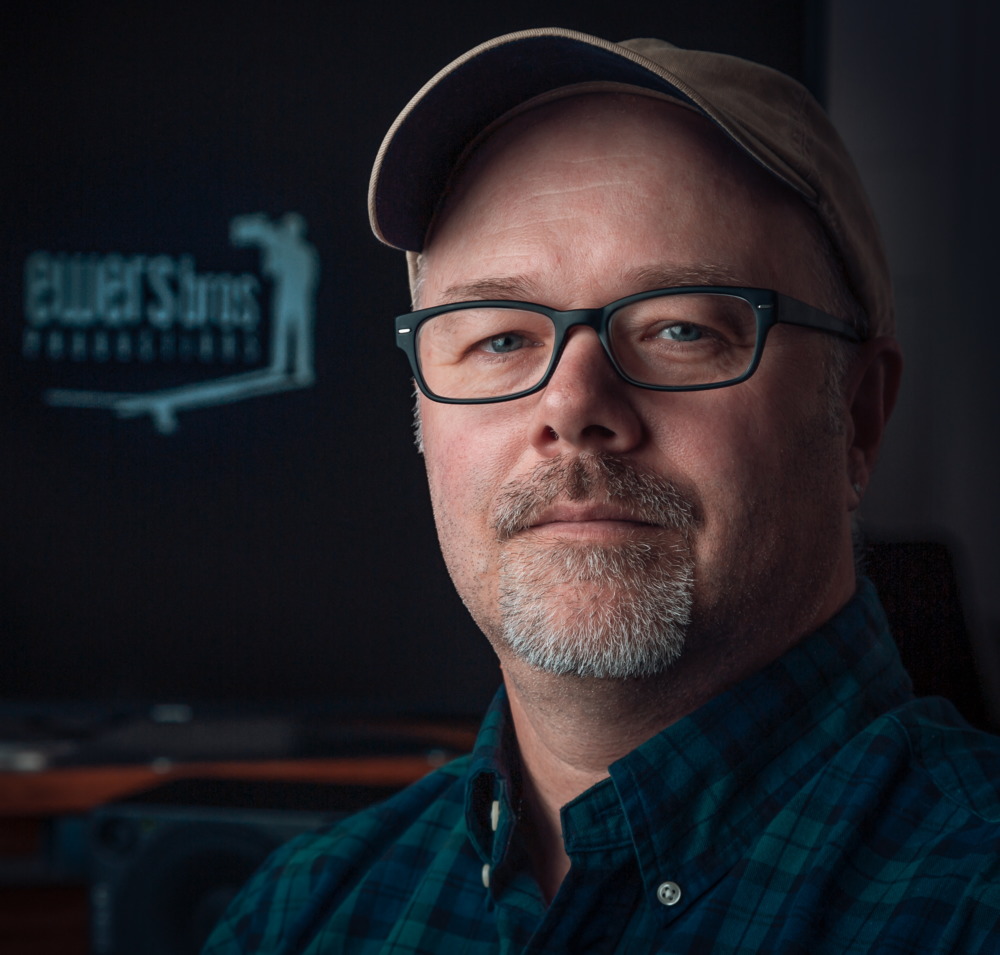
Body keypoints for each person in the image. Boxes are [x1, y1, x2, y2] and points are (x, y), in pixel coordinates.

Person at [203, 28, 1000, 954]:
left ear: (856, 416)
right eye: (500, 338)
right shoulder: (297, 918)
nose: (573, 405)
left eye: (679, 329)